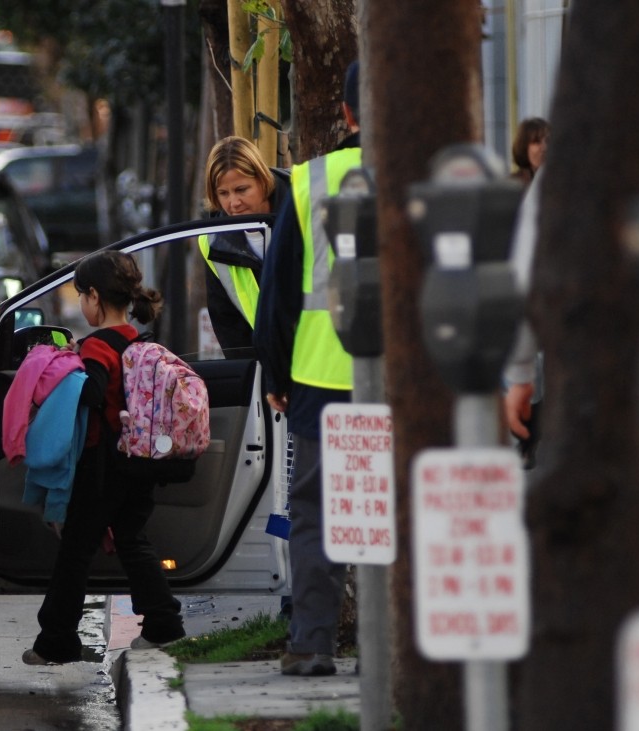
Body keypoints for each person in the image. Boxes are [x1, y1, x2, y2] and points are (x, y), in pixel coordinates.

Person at [23, 250, 185, 665]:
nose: (81, 304)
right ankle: (164, 624)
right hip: (137, 461)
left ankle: (56, 641)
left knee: (76, 551)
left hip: (102, 467)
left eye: (81, 295)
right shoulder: (136, 339)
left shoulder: (97, 346)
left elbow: (94, 393)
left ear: (94, 296)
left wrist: (72, 365)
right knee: (132, 540)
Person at [253, 61, 362, 677]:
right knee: (399, 504)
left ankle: (313, 644)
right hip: (409, 385)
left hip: (320, 380)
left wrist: (275, 375)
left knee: (317, 512)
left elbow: (278, 294)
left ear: (346, 114)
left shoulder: (310, 182)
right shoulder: (432, 179)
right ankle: (400, 646)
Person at [199, 136, 292, 350]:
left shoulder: (300, 210)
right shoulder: (212, 241)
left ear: (262, 180)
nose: (233, 203)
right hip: (266, 363)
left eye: (241, 189)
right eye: (223, 193)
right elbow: (226, 321)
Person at [510, 117, 549, 188]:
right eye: (536, 141)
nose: (544, 147)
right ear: (524, 146)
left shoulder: (562, 181)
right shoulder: (513, 185)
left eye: (547, 141)